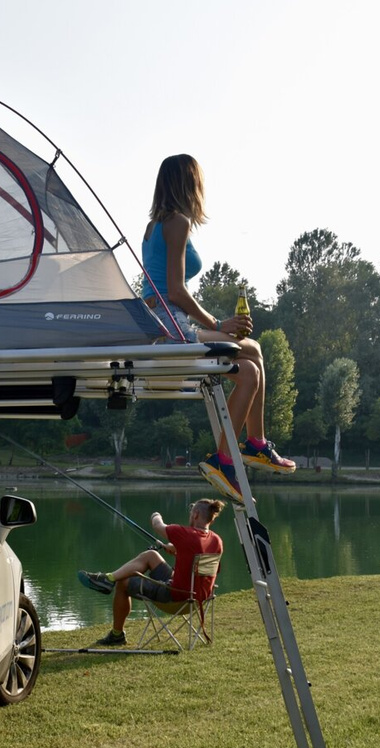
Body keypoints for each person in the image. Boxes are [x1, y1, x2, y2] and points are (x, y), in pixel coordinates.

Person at [141, 153, 295, 504]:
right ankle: (239, 452)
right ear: (189, 184)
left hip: (162, 324)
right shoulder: (177, 222)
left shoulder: (153, 226)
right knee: (252, 360)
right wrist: (217, 324)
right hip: (172, 328)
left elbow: (160, 290)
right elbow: (176, 292)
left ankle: (243, 450)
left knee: (252, 361)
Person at [77, 498, 225, 646]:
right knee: (151, 555)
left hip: (175, 597)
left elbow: (157, 525)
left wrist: (155, 514)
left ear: (196, 514)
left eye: (191, 512)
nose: (190, 515)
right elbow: (201, 563)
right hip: (197, 599)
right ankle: (108, 578)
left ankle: (116, 634)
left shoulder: (185, 534)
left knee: (123, 582)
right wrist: (176, 549)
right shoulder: (217, 540)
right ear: (211, 519)